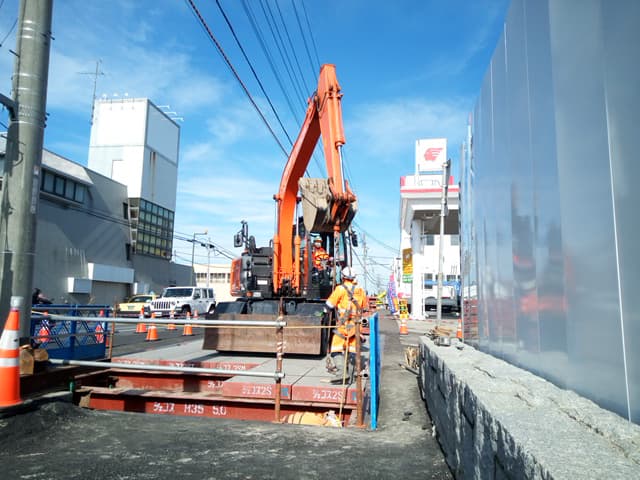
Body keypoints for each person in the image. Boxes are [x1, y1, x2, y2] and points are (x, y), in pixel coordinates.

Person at [325, 267, 367, 382]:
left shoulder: (340, 289)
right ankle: (352, 377)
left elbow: (329, 305)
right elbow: (364, 307)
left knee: (336, 349)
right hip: (356, 326)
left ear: (343, 277)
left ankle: (342, 374)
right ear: (354, 278)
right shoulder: (360, 290)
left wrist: (324, 312)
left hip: (344, 326)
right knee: (353, 351)